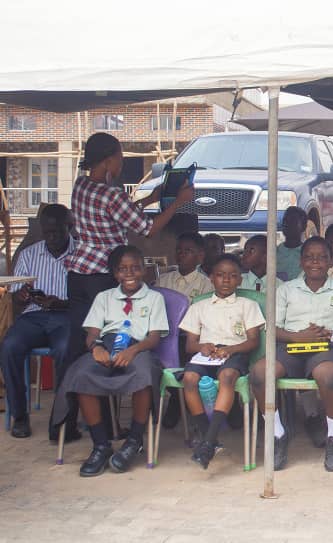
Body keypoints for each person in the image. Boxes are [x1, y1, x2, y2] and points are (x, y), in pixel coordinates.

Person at [63, 133, 193, 437]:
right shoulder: (112, 195)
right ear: (109, 160)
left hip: (78, 273)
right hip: (102, 275)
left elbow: (121, 213)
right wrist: (178, 202)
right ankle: (108, 426)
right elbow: (148, 229)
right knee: (108, 347)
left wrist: (151, 198)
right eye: (120, 157)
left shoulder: (81, 185)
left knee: (78, 348)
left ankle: (66, 424)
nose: (121, 163)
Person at [53, 245, 168, 477]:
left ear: (144, 270)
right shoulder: (104, 298)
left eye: (135, 268)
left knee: (145, 375)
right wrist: (96, 348)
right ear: (115, 273)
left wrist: (133, 350)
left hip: (138, 347)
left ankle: (134, 440)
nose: (129, 273)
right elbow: (92, 334)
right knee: (81, 374)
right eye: (123, 269)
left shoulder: (154, 298)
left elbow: (154, 337)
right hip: (105, 345)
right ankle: (101, 445)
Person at [251, 237, 333, 472]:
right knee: (260, 373)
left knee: (329, 375)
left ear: (330, 261)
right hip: (291, 346)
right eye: (309, 257)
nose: (315, 262)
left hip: (326, 348)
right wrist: (298, 337)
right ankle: (278, 434)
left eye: (322, 257)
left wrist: (331, 335)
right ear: (301, 261)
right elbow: (271, 328)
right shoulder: (286, 290)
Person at [178, 254, 264, 469]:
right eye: (220, 275)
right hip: (206, 354)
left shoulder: (248, 305)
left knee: (227, 377)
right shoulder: (199, 306)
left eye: (232, 275)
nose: (226, 280)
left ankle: (208, 442)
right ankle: (208, 437)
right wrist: (202, 347)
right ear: (211, 278)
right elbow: (189, 345)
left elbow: (253, 341)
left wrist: (230, 349)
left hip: (235, 352)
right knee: (189, 378)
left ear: (240, 280)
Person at [1, 204, 73, 439]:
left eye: (57, 232)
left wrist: (60, 303)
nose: (52, 237)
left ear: (69, 227)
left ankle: (61, 418)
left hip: (66, 317)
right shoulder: (29, 254)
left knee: (65, 349)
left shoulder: (81, 254)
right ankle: (20, 416)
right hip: (33, 316)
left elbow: (87, 299)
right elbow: (15, 297)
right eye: (47, 232)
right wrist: (21, 296)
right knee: (9, 346)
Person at [156, 232, 213, 302]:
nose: (181, 254)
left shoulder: (206, 285)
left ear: (200, 256)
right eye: (178, 249)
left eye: (188, 250)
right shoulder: (162, 280)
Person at [276, 206, 307, 282]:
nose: (287, 224)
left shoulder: (307, 253)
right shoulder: (276, 252)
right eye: (285, 221)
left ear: (303, 227)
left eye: (293, 222)